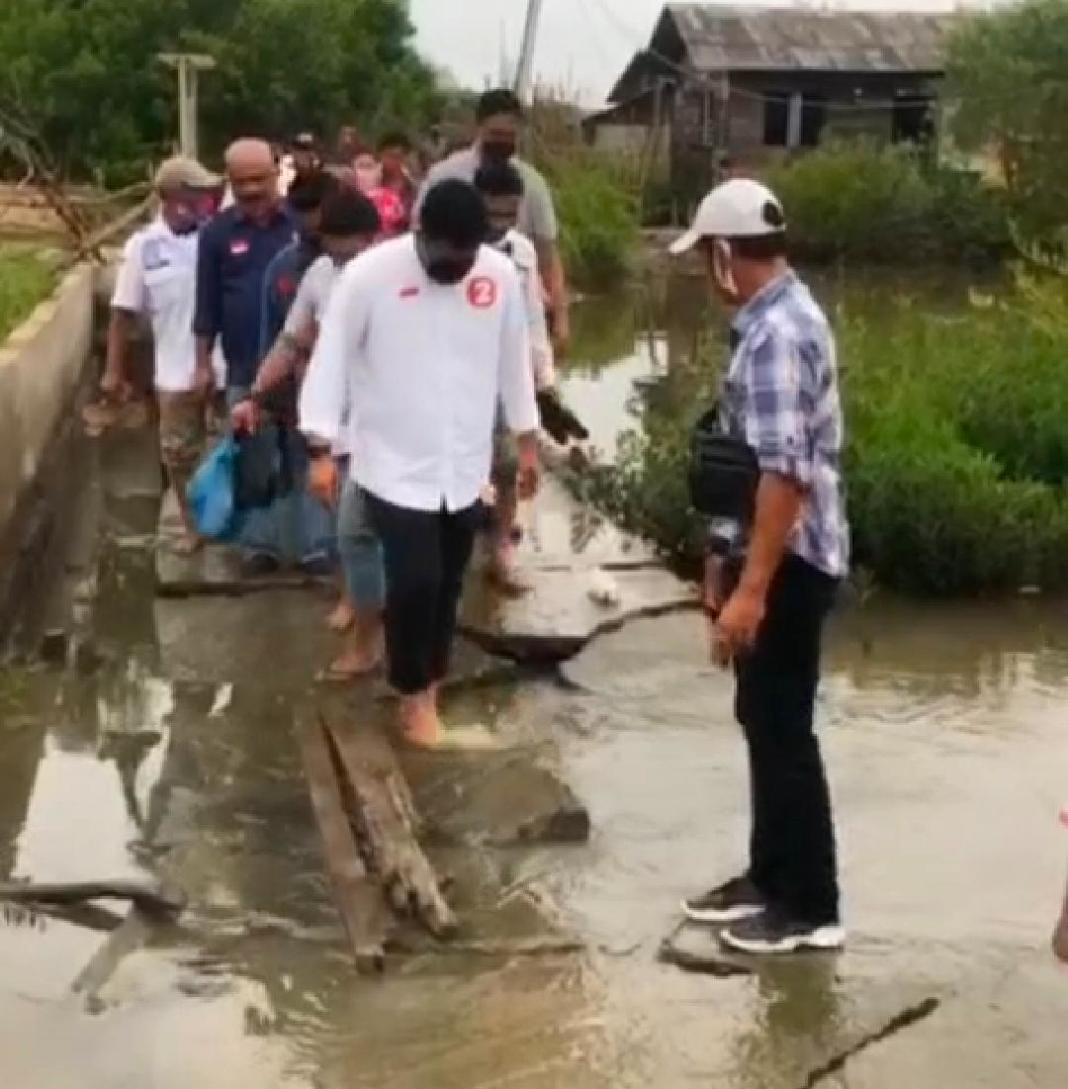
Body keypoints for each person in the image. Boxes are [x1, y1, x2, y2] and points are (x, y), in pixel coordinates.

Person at [670, 179, 850, 955]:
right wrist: (722, 556)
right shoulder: (765, 324)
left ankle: (810, 906)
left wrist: (752, 590)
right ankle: (769, 875)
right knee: (762, 719)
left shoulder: (778, 335)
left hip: (791, 561)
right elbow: (740, 464)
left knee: (784, 726)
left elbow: (784, 476)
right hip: (764, 552)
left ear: (722, 255)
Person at [300, 179, 541, 748]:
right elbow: (329, 361)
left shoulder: (498, 277)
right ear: (417, 233)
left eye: (464, 259)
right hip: (390, 462)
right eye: (441, 258)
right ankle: (413, 702)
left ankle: (427, 691)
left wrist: (528, 442)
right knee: (415, 581)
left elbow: (515, 365)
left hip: (464, 465)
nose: (453, 271)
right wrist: (320, 449)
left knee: (448, 584)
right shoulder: (369, 277)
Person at [234, 187, 385, 678]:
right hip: (329, 414)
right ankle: (353, 597)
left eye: (350, 250)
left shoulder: (397, 276)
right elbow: (290, 338)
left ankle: (372, 611)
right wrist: (255, 394)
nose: (342, 260)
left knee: (375, 523)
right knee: (343, 518)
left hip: (385, 419)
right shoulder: (319, 276)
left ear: (372, 238)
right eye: (333, 250)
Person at [103, 156, 221, 554]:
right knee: (178, 456)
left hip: (223, 366)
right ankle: (192, 527)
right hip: (173, 372)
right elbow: (123, 313)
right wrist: (113, 372)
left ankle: (230, 526)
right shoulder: (143, 248)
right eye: (196, 191)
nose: (205, 198)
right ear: (172, 196)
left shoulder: (216, 236)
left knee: (226, 449)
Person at [193, 138, 298, 574]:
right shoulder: (217, 233)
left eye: (259, 179)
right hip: (241, 368)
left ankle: (298, 538)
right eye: (242, 182)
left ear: (277, 174)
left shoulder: (301, 226)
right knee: (252, 464)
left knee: (298, 457)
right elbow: (207, 305)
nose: (252, 189)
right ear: (229, 181)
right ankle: (259, 543)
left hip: (299, 373)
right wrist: (202, 364)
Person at [417, 88, 571, 354]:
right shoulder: (444, 176)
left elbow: (548, 255)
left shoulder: (532, 184)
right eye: (495, 135)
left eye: (509, 137)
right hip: (452, 306)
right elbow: (418, 239)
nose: (502, 142)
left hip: (517, 314)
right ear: (478, 127)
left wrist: (560, 318)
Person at [473, 160, 554, 592]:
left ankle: (502, 547)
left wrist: (544, 375)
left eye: (509, 214)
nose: (500, 223)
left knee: (507, 464)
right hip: (463, 373)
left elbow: (533, 317)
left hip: (508, 371)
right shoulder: (454, 250)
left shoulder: (521, 251)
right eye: (493, 214)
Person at [376, 131, 417, 231]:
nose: (393, 161)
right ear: (381, 155)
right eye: (389, 156)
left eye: (398, 157)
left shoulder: (413, 187)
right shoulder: (371, 184)